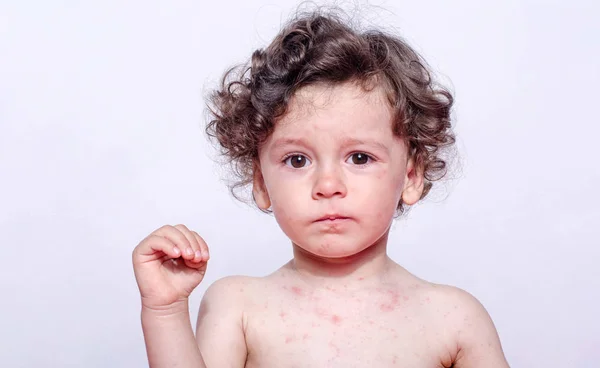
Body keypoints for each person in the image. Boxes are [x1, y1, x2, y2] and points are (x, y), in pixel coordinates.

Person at [132, 8, 509, 368]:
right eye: (298, 160)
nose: (328, 186)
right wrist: (165, 310)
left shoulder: (454, 319)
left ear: (411, 176)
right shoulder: (239, 307)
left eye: (359, 158)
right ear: (261, 183)